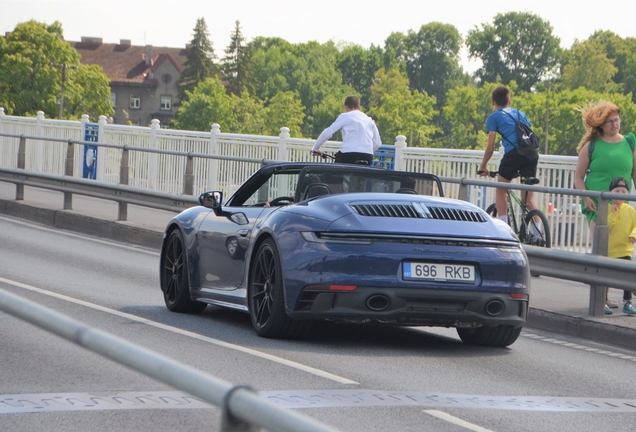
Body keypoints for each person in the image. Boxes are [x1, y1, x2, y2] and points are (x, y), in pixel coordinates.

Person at [573, 100, 636, 308]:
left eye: (616, 120)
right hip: (597, 206)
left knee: (622, 251)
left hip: (623, 206)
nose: (614, 124)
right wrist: (586, 197)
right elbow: (579, 177)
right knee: (604, 248)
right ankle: (604, 295)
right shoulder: (591, 146)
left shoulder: (629, 142)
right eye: (609, 121)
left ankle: (623, 296)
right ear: (601, 124)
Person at [478, 85, 539, 224]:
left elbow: (490, 147)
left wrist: (483, 166)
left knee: (501, 189)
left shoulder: (494, 117)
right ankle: (538, 234)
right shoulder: (520, 113)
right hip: (532, 153)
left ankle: (503, 228)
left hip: (514, 154)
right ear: (509, 102)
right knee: (528, 198)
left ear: (493, 101)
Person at [312, 95, 381, 165]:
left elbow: (328, 132)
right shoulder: (369, 120)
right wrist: (364, 151)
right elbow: (377, 143)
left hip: (349, 155)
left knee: (333, 173)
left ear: (346, 107)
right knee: (363, 175)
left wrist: (316, 148)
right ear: (359, 108)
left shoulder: (345, 116)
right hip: (367, 156)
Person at [604, 176, 636, 315]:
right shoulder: (607, 209)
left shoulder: (630, 210)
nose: (620, 194)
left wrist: (633, 235)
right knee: (606, 278)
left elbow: (635, 225)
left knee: (627, 277)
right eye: (617, 191)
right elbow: (607, 227)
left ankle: (627, 302)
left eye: (624, 191)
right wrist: (613, 214)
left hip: (625, 249)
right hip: (610, 250)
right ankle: (603, 301)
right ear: (610, 192)